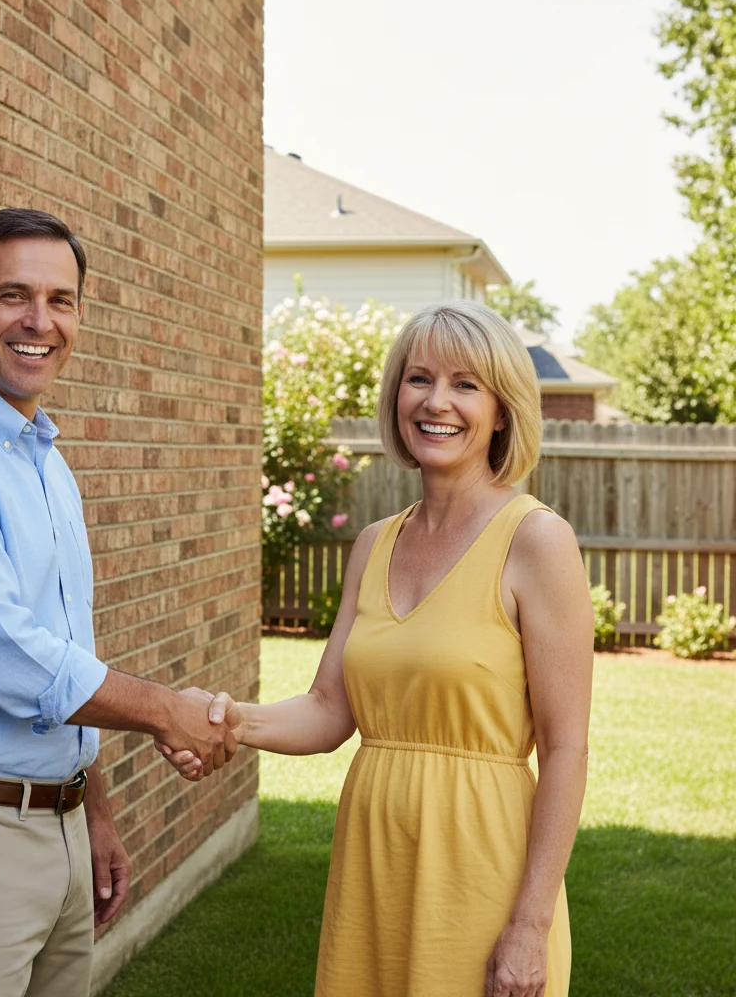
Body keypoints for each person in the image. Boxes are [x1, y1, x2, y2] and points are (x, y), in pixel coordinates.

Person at [161, 300, 593, 997]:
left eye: (466, 384)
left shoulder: (537, 541)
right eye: (418, 379)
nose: (437, 402)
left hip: (482, 868)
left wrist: (530, 925)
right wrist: (225, 721)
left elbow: (567, 748)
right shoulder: (375, 543)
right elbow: (331, 710)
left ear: (502, 410)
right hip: (375, 861)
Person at [0, 208, 236, 997]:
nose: (40, 322)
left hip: (53, 829)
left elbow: (64, 647)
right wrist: (167, 710)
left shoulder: (41, 459)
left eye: (61, 300)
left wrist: (90, 807)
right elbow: (0, 655)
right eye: (15, 296)